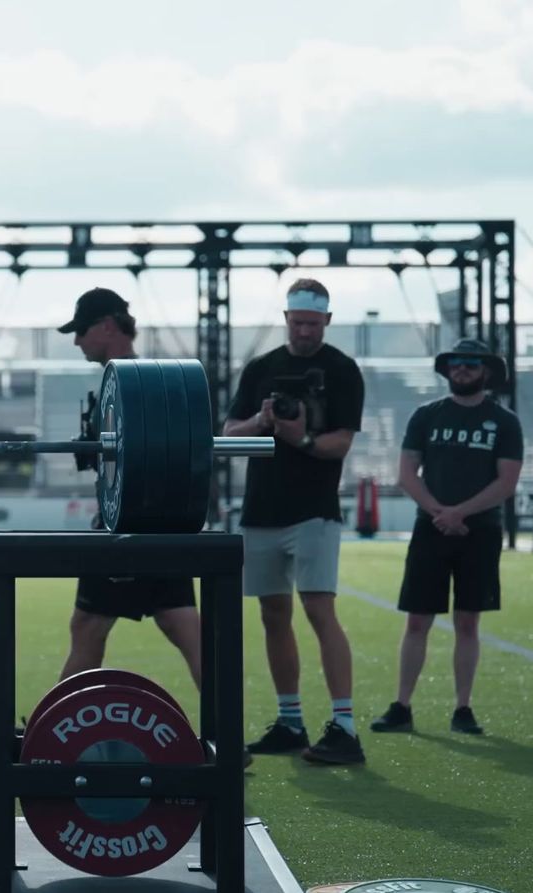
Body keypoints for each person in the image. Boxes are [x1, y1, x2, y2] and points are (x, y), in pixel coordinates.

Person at [222, 278, 366, 765]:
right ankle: (290, 720)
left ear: (327, 320)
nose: (304, 331)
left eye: (312, 323)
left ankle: (344, 725)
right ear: (286, 319)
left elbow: (341, 443)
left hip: (314, 509)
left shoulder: (342, 370)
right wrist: (264, 424)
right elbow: (229, 433)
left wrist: (301, 438)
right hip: (262, 507)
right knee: (271, 614)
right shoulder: (262, 368)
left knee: (319, 608)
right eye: (297, 322)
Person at [371, 338, 523, 736]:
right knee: (417, 619)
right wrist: (440, 512)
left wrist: (460, 512)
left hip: (480, 530)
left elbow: (506, 482)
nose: (462, 369)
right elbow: (407, 473)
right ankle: (402, 705)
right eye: (456, 363)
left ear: (486, 371)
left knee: (468, 621)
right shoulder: (427, 416)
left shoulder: (504, 422)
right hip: (431, 528)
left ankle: (463, 708)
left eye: (471, 364)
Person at [56, 288, 204, 691]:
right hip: (163, 523)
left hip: (127, 526)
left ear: (107, 326)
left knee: (89, 625)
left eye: (81, 330)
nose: (76, 341)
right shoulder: (144, 385)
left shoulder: (138, 387)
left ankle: (53, 732)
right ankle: (228, 734)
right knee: (182, 622)